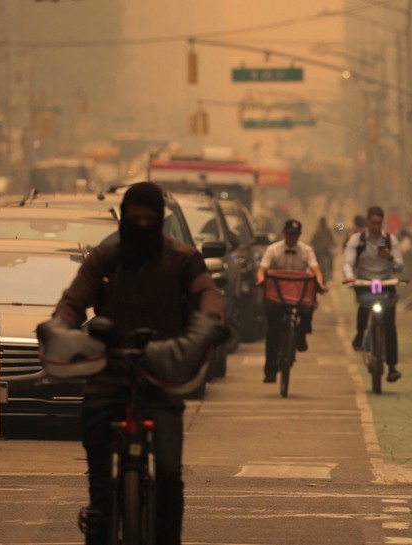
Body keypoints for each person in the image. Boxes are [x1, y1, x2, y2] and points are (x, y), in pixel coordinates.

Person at [49, 181, 224, 545]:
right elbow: (72, 301)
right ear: (124, 218)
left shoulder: (184, 259)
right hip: (108, 373)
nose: (142, 225)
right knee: (96, 443)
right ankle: (99, 512)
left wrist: (208, 323)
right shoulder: (104, 258)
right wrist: (60, 327)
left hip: (162, 376)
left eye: (150, 219)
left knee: (170, 471)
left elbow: (207, 294)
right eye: (135, 218)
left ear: (160, 220)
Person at [256, 219, 326, 383]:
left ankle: (301, 334)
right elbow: (262, 270)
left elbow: (316, 270)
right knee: (272, 331)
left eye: (295, 235)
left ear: (299, 235)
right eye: (289, 234)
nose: (292, 237)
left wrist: (320, 284)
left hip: (299, 296)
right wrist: (261, 280)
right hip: (277, 297)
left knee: (309, 308)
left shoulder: (307, 251)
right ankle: (270, 371)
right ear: (284, 233)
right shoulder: (273, 249)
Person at [343, 205, 404, 383]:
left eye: (379, 223)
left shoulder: (391, 241)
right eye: (373, 222)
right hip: (364, 282)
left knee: (390, 325)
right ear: (367, 222)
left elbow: (400, 265)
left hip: (385, 283)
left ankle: (392, 366)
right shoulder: (357, 240)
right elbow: (348, 262)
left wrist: (390, 258)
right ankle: (360, 333)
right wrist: (349, 276)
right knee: (364, 305)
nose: (376, 226)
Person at [311, 217, 336, 283]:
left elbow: (313, 240)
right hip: (322, 250)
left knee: (330, 259)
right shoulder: (324, 230)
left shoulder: (320, 230)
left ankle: (329, 273)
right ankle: (329, 273)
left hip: (323, 250)